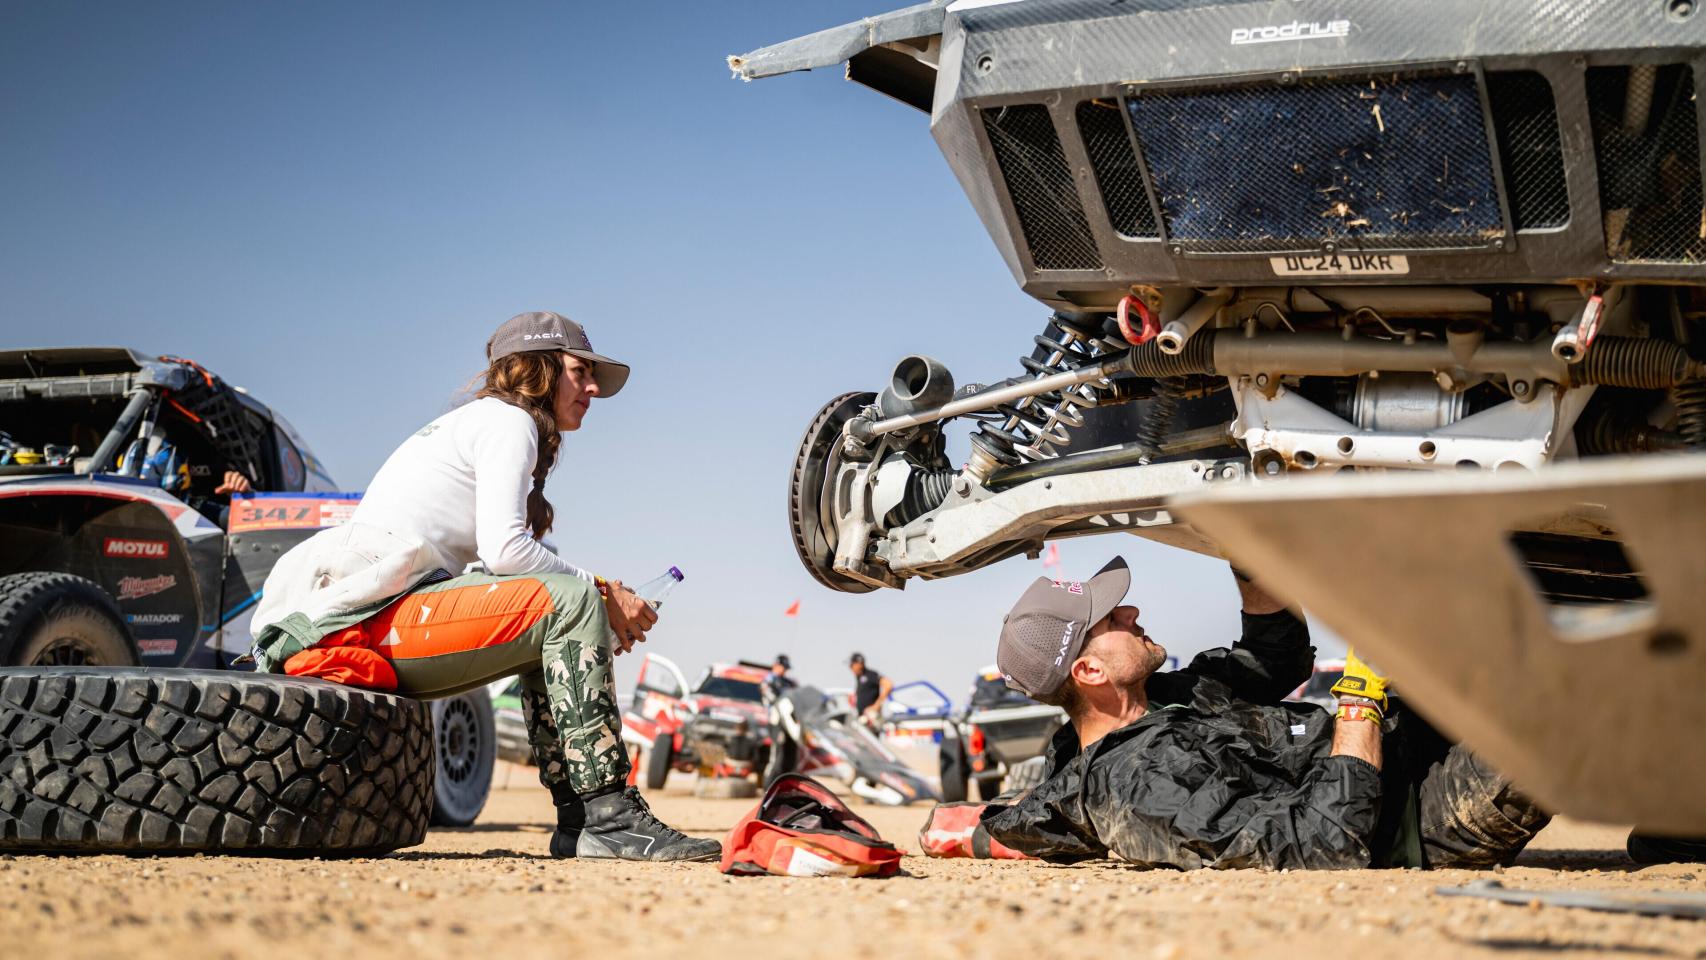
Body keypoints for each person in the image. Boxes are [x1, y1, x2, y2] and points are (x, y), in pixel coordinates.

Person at [249, 311, 719, 863]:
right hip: (345, 629)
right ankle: (609, 819)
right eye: (579, 371)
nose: (593, 388)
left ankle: (580, 821)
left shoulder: (481, 424)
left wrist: (588, 615)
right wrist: (601, 594)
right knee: (568, 600)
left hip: (363, 620)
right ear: (538, 368)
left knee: (563, 605)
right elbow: (506, 553)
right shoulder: (508, 421)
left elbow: (506, 575)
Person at [955, 556, 1549, 870]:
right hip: (1425, 814)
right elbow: (1324, 844)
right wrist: (1361, 694)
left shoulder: (1165, 698)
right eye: (1112, 621)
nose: (1131, 611)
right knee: (1579, 718)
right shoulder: (1140, 788)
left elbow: (1274, 658)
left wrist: (1248, 552)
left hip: (1415, 736)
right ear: (1089, 673)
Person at [848, 652, 892, 726]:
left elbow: (888, 685)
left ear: (859, 664)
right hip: (862, 717)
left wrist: (876, 705)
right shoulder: (859, 678)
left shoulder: (870, 675)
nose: (850, 668)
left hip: (871, 718)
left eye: (852, 665)